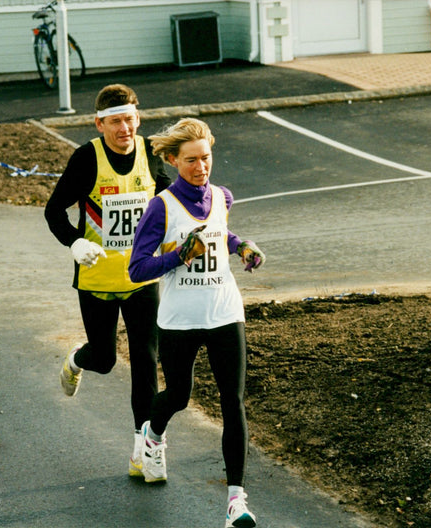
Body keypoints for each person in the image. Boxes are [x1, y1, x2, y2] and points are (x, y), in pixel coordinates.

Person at [128, 118, 265, 528]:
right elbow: (137, 269)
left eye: (205, 158)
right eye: (190, 160)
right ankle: (151, 437)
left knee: (233, 401)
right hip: (180, 319)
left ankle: (235, 501)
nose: (200, 167)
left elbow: (221, 233)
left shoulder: (222, 197)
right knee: (180, 395)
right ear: (172, 160)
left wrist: (243, 247)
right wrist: (179, 256)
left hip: (225, 312)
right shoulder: (161, 207)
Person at [43, 84, 171, 477]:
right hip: (97, 277)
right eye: (115, 121)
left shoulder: (150, 153)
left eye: (130, 119)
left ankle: (143, 450)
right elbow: (53, 212)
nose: (124, 129)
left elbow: (169, 195)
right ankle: (76, 360)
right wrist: (75, 242)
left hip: (141, 278)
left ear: (139, 118)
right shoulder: (86, 159)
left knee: (146, 362)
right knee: (105, 359)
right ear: (99, 124)